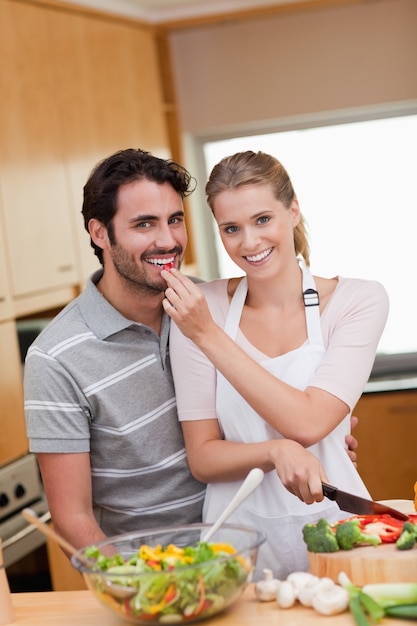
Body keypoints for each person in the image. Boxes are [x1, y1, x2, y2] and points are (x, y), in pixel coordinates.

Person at [24, 148, 359, 552]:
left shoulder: (213, 304)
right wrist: (137, 583)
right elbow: (72, 517)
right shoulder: (56, 358)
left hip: (245, 548)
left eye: (175, 220)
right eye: (144, 224)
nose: (166, 240)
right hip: (154, 568)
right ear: (99, 233)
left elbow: (273, 408)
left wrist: (324, 443)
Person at [162, 150, 389, 579]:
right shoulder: (201, 306)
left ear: (294, 210)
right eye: (232, 229)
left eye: (262, 219)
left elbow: (308, 423)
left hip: (338, 531)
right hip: (236, 543)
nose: (249, 243)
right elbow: (203, 457)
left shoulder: (357, 301)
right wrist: (274, 451)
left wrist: (208, 334)